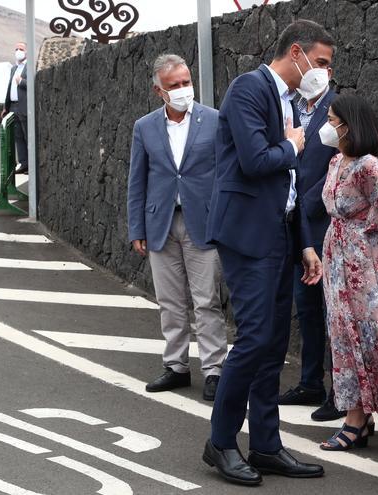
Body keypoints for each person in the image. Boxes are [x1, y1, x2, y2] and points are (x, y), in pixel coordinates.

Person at [202, 20, 332, 486]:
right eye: (320, 63)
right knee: (256, 337)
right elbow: (258, 162)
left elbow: (290, 187)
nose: (323, 74)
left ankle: (265, 445)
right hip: (247, 234)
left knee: (275, 342)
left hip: (281, 233)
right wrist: (293, 145)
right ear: (295, 52)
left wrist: (305, 244)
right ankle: (220, 441)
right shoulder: (248, 89)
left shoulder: (290, 101)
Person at [127, 54, 229, 402]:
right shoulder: (145, 127)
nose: (184, 89)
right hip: (160, 223)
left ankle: (214, 370)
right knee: (169, 301)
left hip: (203, 223)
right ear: (159, 91)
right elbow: (136, 180)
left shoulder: (215, 121)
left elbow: (225, 174)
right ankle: (176, 366)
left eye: (186, 82)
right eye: (174, 85)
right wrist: (136, 227)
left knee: (206, 300)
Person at [317, 93, 378, 451]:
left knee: (370, 334)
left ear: (348, 125)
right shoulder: (336, 161)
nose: (327, 126)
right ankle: (359, 413)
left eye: (332, 119)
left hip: (362, 260)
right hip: (336, 258)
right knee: (342, 336)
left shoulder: (370, 167)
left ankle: (359, 416)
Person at [277, 80, 346, 423]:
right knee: (305, 309)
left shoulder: (338, 107)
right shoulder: (288, 106)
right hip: (296, 223)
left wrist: (305, 203)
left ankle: (340, 391)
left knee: (332, 311)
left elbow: (340, 158)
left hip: (322, 222)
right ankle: (309, 382)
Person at [2, 42, 28, 174]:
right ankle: (24, 164)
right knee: (18, 137)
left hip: (23, 106)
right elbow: (9, 89)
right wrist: (6, 107)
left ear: (26, 51)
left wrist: (21, 82)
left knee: (27, 136)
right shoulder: (13, 68)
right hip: (12, 106)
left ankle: (31, 164)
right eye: (16, 49)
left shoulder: (29, 67)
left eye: (21, 49)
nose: (18, 51)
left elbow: (33, 85)